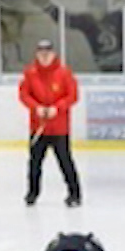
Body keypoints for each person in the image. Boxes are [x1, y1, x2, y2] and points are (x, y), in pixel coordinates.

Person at [19, 37, 81, 207]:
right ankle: (32, 194)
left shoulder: (64, 72)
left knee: (65, 161)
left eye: (47, 53)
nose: (44, 56)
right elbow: (24, 94)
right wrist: (36, 107)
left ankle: (74, 194)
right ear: (37, 54)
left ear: (53, 54)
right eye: (41, 53)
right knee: (34, 163)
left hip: (59, 128)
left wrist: (57, 108)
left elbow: (73, 95)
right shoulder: (30, 73)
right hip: (38, 127)